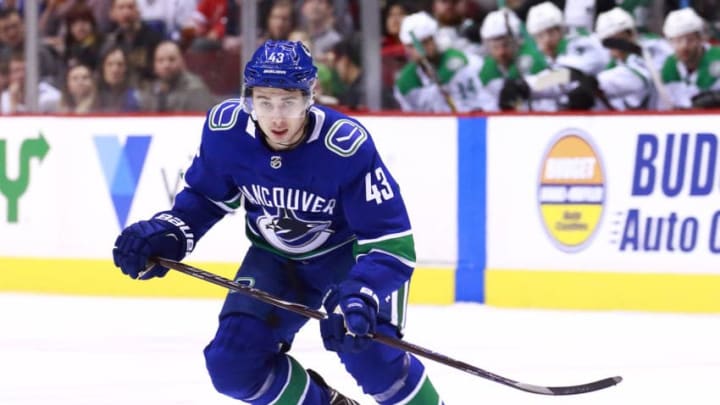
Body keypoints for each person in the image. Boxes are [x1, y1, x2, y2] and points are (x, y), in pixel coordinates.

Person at [112, 39, 445, 405]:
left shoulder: (346, 147)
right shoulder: (227, 133)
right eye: (264, 101)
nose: (277, 117)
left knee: (372, 359)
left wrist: (361, 292)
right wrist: (172, 231)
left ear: (310, 96)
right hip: (275, 260)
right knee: (233, 365)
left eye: (289, 101)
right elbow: (206, 197)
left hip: (348, 262)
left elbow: (392, 242)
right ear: (248, 98)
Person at [660, 7, 720, 109]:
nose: (684, 46)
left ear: (701, 38)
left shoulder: (717, 57)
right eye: (677, 41)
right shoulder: (669, 66)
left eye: (690, 40)